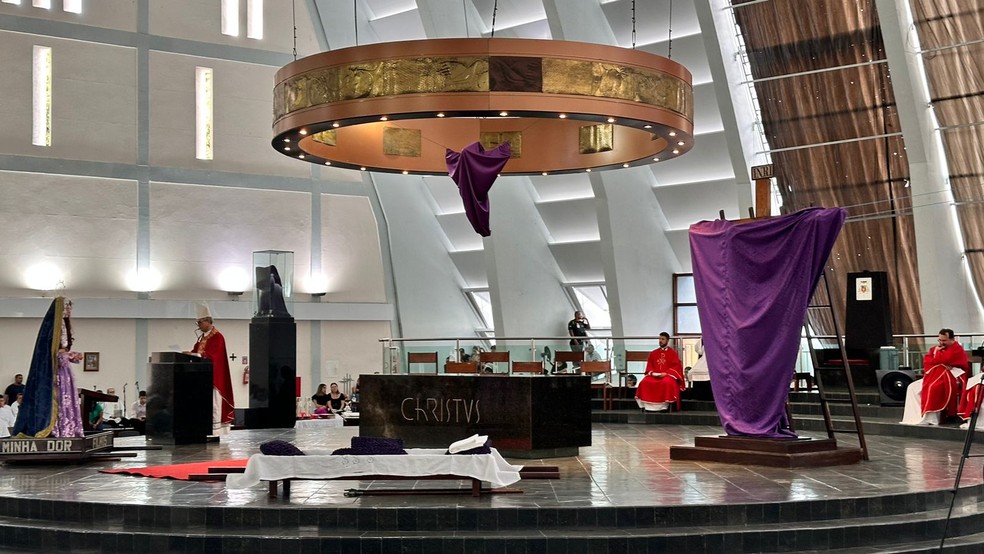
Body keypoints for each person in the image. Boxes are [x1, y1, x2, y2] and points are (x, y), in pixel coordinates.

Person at [12, 297, 85, 438]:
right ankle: (57, 429)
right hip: (55, 371)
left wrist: (71, 356)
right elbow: (54, 353)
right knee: (58, 398)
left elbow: (62, 352)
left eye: (70, 308)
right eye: (67, 307)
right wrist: (70, 356)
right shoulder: (53, 328)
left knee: (67, 398)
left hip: (65, 371)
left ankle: (68, 429)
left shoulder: (64, 326)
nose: (69, 311)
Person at [185, 302, 235, 436]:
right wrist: (189, 353)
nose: (199, 326)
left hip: (214, 377)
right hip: (202, 377)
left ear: (207, 321)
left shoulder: (217, 337)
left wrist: (196, 354)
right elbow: (197, 351)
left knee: (214, 403)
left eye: (200, 323)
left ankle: (215, 430)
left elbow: (214, 356)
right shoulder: (202, 337)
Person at [901, 329, 969, 426]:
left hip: (954, 375)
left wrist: (938, 358)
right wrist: (939, 359)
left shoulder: (957, 348)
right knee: (912, 387)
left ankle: (932, 419)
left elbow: (946, 359)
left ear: (952, 339)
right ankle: (916, 416)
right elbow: (928, 361)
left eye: (944, 340)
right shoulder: (935, 349)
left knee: (933, 388)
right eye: (940, 340)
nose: (941, 342)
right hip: (936, 374)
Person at [635, 332, 686, 412]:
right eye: (659, 339)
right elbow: (649, 365)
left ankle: (664, 406)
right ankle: (646, 406)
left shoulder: (672, 353)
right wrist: (652, 373)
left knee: (666, 382)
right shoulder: (653, 353)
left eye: (663, 339)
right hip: (654, 375)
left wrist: (666, 373)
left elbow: (676, 366)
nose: (660, 341)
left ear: (667, 340)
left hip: (667, 375)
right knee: (644, 382)